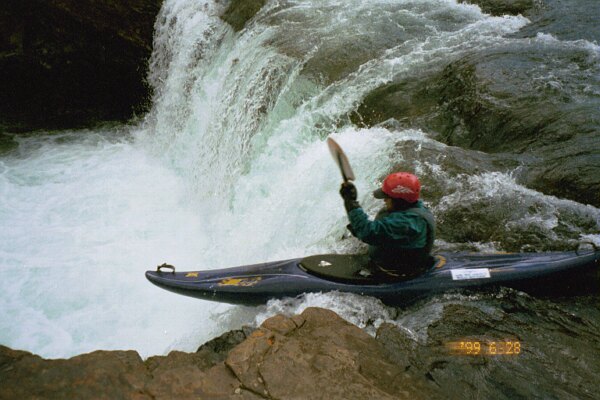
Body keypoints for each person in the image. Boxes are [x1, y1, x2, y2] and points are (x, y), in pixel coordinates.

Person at [339, 172, 435, 280]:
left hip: (398, 274)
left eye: (387, 197)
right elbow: (380, 231)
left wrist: (350, 202)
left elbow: (369, 232)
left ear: (399, 200)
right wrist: (357, 229)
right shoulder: (409, 208)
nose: (384, 200)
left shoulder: (407, 223)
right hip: (394, 256)